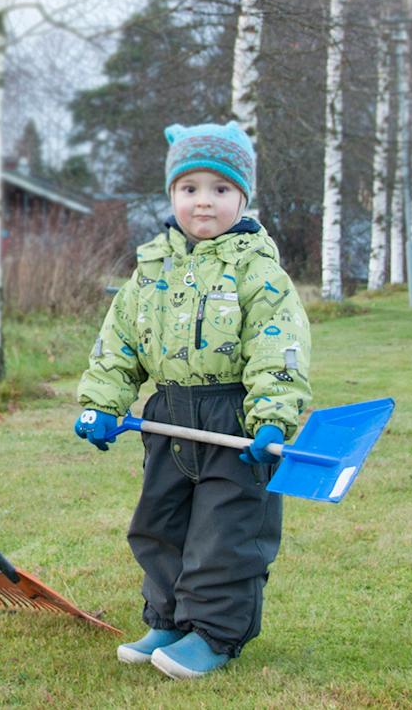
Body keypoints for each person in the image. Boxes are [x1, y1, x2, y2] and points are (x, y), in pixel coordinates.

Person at [72, 122, 311, 680]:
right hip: (167, 417)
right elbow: (119, 344)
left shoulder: (258, 271)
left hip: (233, 420)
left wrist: (272, 419)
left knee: (224, 533)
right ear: (172, 195)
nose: (204, 201)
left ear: (243, 197)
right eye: (190, 188)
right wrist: (102, 403)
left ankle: (214, 634)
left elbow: (280, 349)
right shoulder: (150, 270)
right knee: (160, 522)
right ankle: (170, 619)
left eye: (220, 189)